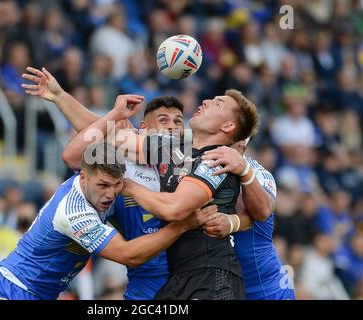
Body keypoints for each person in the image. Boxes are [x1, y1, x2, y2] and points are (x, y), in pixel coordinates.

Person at [64, 88, 259, 299]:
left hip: (212, 277)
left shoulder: (218, 160)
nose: (205, 101)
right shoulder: (175, 151)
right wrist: (59, 95)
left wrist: (127, 186)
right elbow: (99, 136)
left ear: (228, 126)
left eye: (217, 103)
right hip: (179, 279)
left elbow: (173, 208)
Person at [22, 67, 185, 300]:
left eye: (178, 121)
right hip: (147, 284)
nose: (172, 126)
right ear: (144, 129)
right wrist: (60, 97)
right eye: (163, 120)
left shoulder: (188, 153)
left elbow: (105, 133)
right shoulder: (122, 166)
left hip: (191, 275)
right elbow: (83, 146)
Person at [0, 142, 216, 300]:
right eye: (103, 185)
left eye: (117, 185)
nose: (111, 194)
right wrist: (182, 225)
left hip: (35, 292)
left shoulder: (95, 187)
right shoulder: (73, 213)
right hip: (12, 290)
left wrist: (116, 115)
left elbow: (103, 140)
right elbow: (129, 255)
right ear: (83, 177)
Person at [199, 140, 296, 299]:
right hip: (223, 283)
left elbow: (263, 211)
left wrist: (232, 222)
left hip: (267, 287)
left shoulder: (256, 171)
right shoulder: (195, 161)